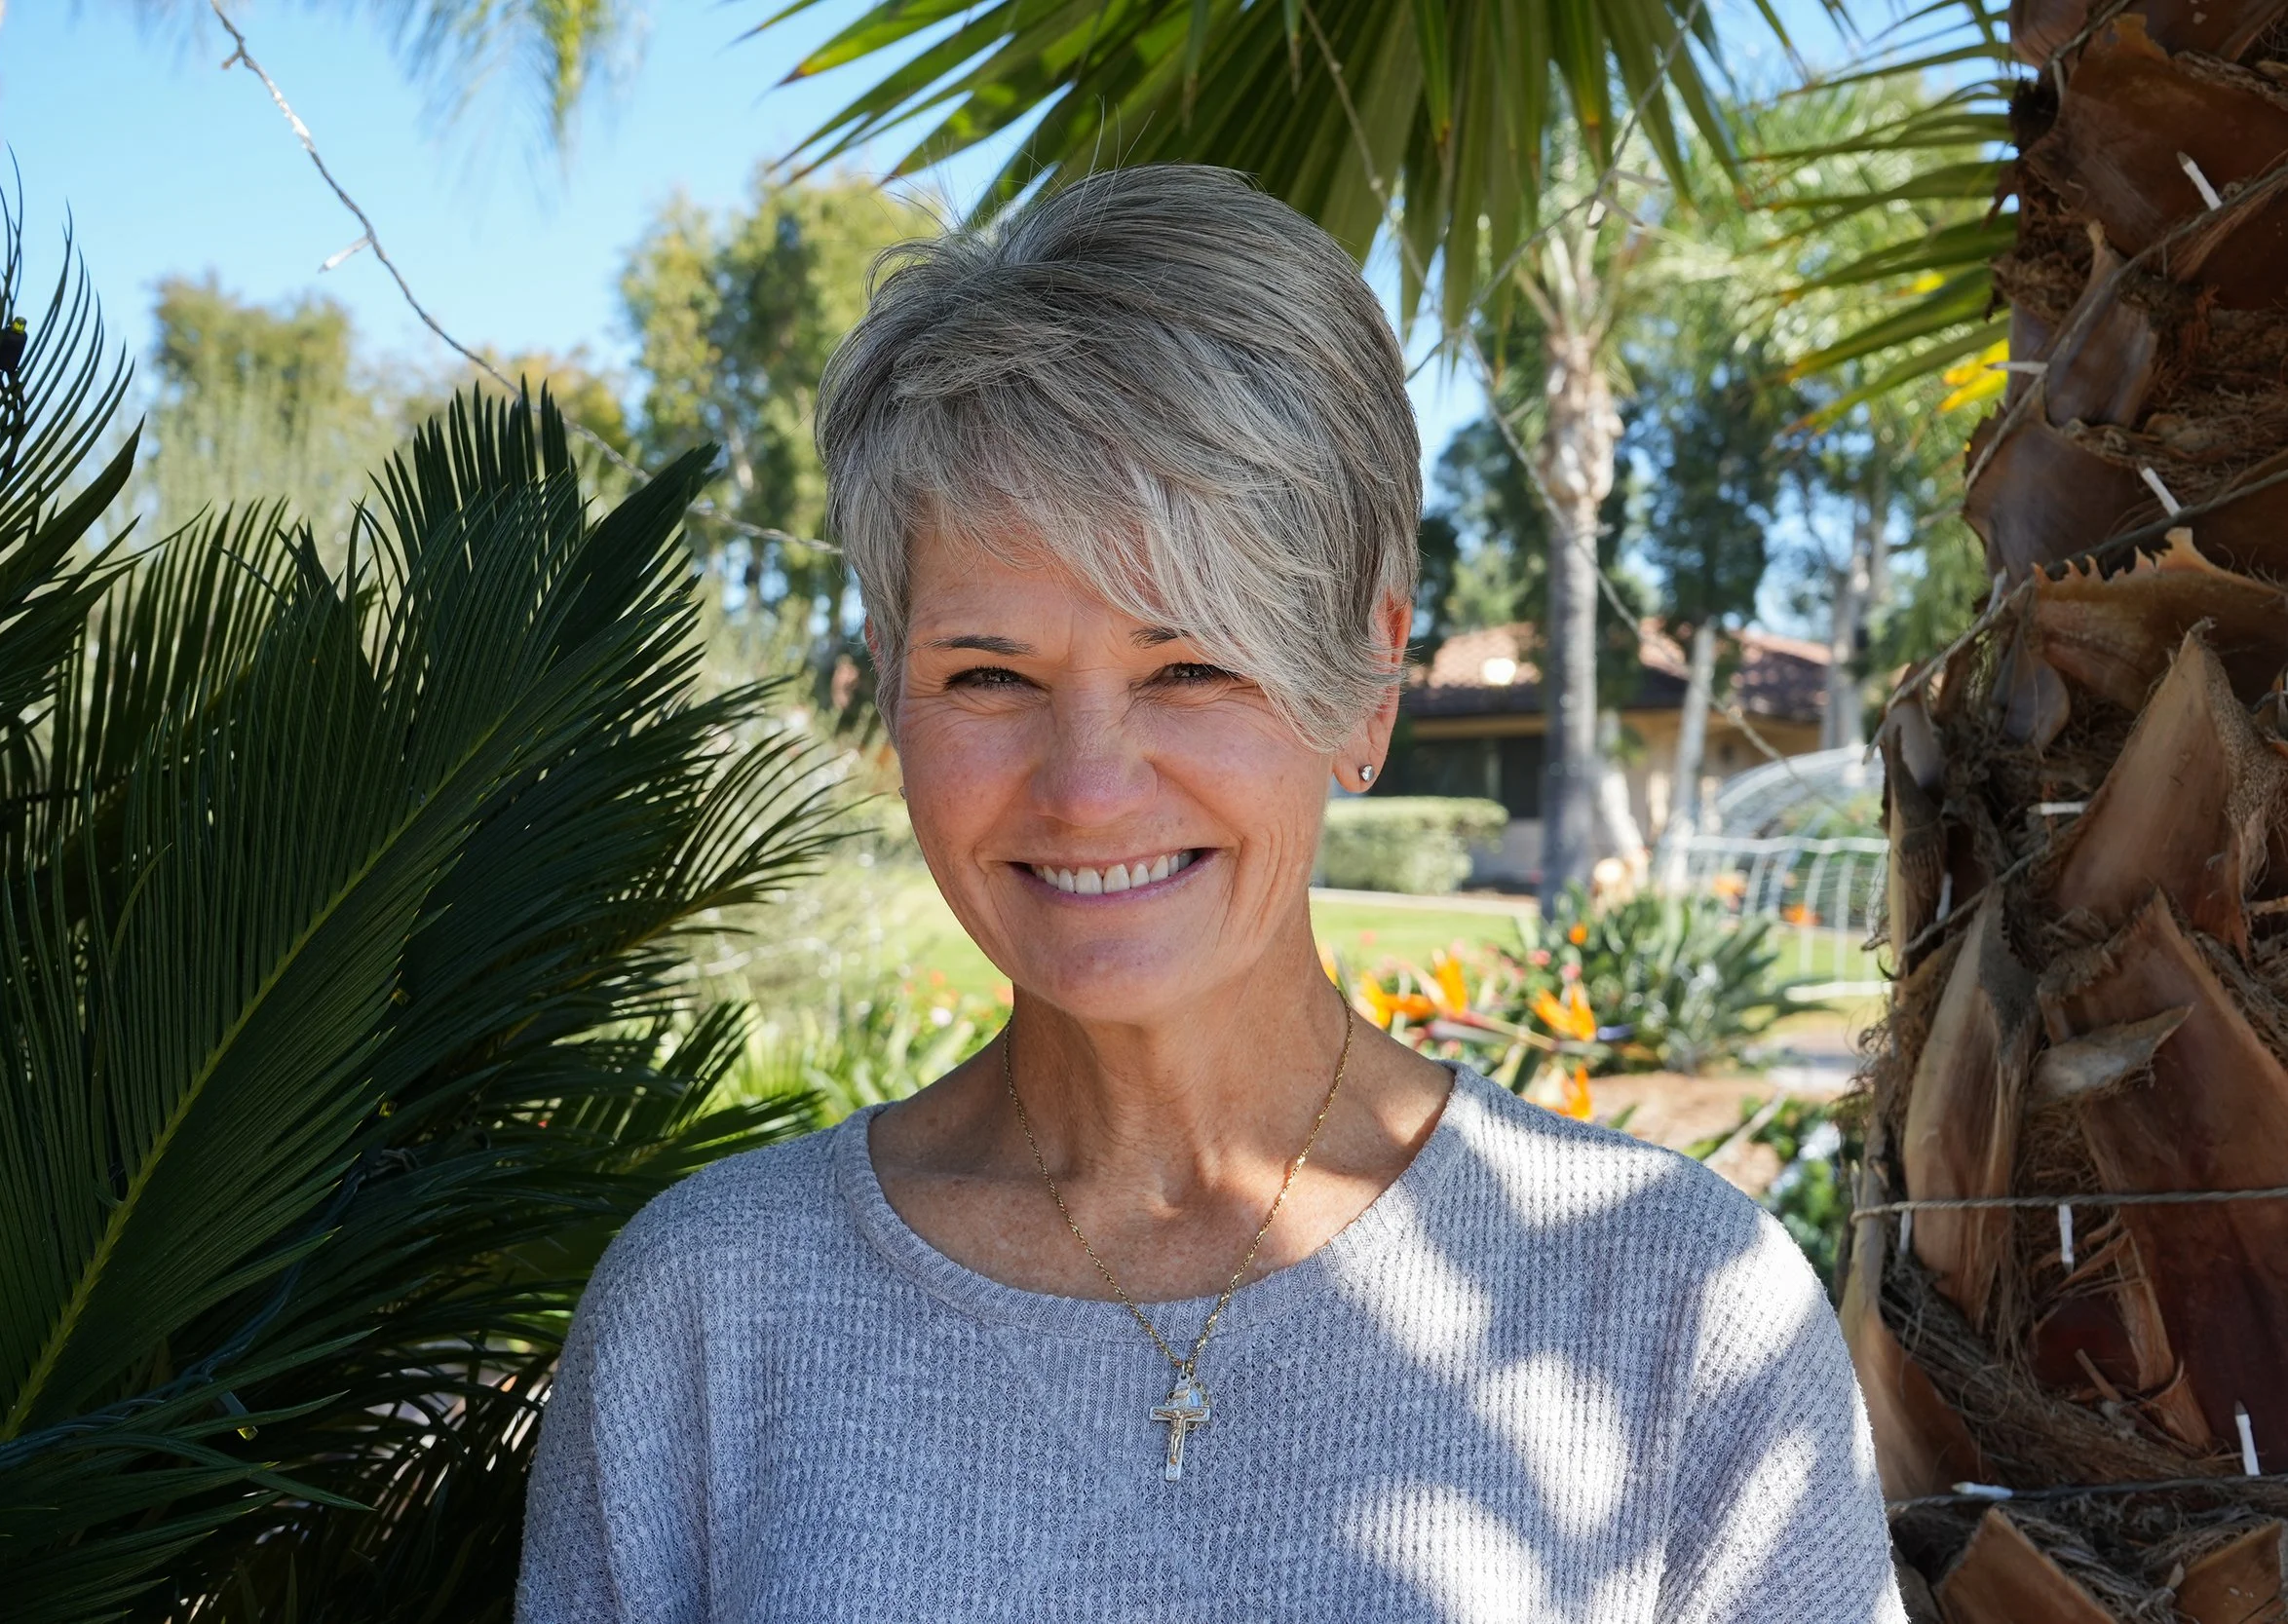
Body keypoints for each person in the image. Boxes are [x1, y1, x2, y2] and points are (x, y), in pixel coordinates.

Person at [517, 164, 1903, 1624]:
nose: (1088, 788)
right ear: (892, 685)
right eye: (990, 673)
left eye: (1192, 665)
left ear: (1368, 681)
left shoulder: (1673, 1310)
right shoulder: (710, 1316)